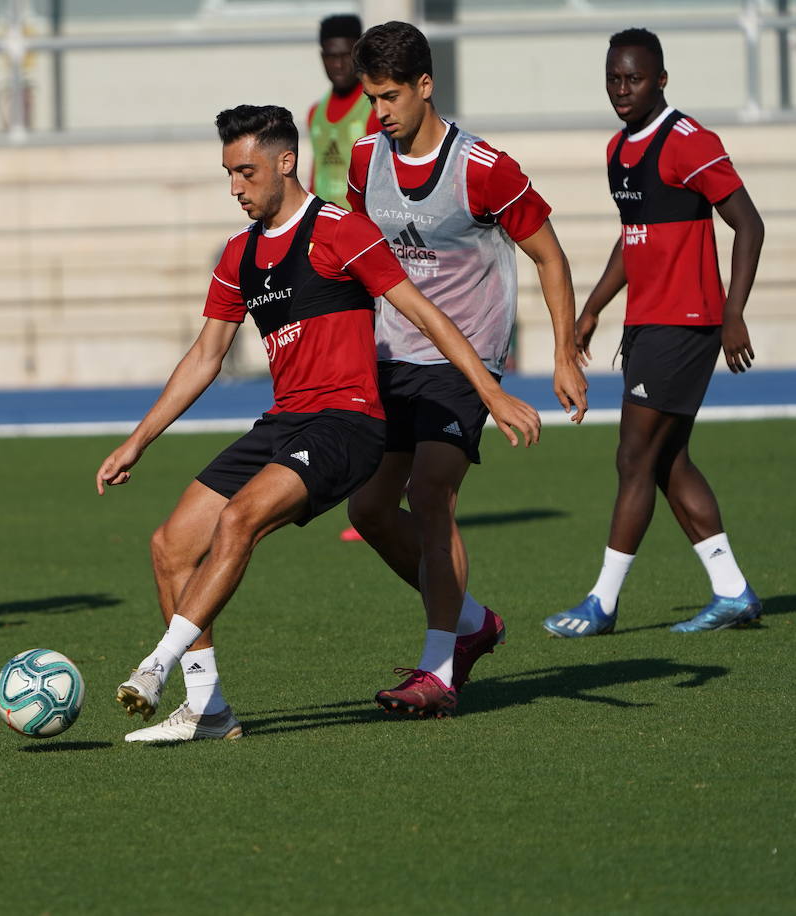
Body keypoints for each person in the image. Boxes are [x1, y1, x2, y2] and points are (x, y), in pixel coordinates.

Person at [95, 104, 541, 742]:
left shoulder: (341, 230)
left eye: (246, 172)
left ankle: (156, 664)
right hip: (283, 422)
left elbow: (425, 313)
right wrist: (135, 442)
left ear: (285, 162)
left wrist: (490, 394)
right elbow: (205, 356)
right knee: (170, 545)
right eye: (227, 174)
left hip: (347, 423)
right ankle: (208, 710)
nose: (235, 188)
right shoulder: (239, 253)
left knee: (239, 519)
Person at [342, 21, 589, 716]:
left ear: (426, 86)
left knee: (431, 493)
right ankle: (473, 623)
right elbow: (362, 257)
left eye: (390, 96)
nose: (380, 111)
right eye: (371, 97)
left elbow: (550, 255)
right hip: (394, 354)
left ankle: (438, 670)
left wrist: (565, 353)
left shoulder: (483, 167)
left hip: (467, 357)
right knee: (367, 509)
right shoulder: (366, 160)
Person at [544, 28, 764, 637]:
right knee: (668, 461)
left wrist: (732, 310)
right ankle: (732, 590)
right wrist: (592, 309)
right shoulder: (620, 148)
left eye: (634, 78)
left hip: (685, 323)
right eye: (613, 78)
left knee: (634, 457)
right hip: (647, 323)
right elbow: (633, 234)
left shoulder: (688, 142)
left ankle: (602, 603)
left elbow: (749, 224)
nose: (622, 88)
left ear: (661, 79)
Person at [308, 14, 383, 204]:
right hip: (322, 226)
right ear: (322, 57)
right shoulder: (315, 114)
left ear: (359, 55)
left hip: (363, 227)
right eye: (332, 57)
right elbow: (317, 176)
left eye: (345, 56)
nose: (339, 65)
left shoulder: (378, 109)